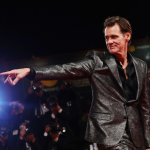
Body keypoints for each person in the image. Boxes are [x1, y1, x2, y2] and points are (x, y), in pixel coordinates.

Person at [1, 16, 150, 150]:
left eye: (114, 37)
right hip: (109, 134)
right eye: (106, 38)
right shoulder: (97, 61)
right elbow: (66, 69)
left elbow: (145, 108)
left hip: (136, 137)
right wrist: (31, 72)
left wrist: (148, 142)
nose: (109, 42)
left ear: (127, 36)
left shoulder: (141, 66)